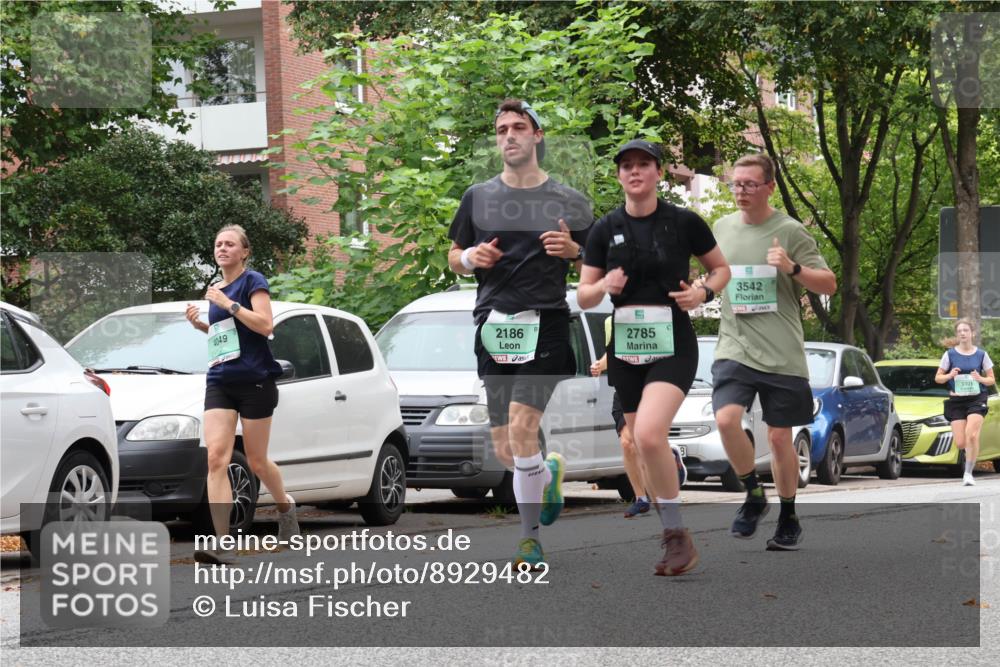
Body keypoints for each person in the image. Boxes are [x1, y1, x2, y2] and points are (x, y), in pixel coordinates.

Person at [447, 99, 592, 568]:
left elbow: (600, 262)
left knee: (523, 425)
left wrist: (574, 250)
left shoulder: (568, 199)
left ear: (537, 136)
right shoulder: (478, 196)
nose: (509, 135)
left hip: (546, 321)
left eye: (519, 127)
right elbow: (454, 254)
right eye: (502, 129)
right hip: (493, 325)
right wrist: (471, 259)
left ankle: (529, 541)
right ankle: (544, 475)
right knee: (508, 448)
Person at [578, 139, 730, 576]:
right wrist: (604, 284)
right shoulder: (604, 229)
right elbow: (585, 297)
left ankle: (676, 536)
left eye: (644, 164)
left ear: (659, 172)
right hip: (625, 348)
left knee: (646, 434)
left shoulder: (684, 222)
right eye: (626, 166)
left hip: (672, 343)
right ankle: (676, 535)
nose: (634, 171)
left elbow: (721, 269)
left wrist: (702, 292)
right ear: (619, 175)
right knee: (643, 443)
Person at [710, 153, 837, 551]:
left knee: (781, 437)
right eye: (736, 183)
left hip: (782, 351)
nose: (741, 190)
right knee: (727, 420)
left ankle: (788, 514)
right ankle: (753, 493)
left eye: (749, 184)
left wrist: (792, 267)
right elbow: (716, 274)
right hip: (735, 345)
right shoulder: (720, 227)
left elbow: (829, 284)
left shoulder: (791, 231)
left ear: (769, 187)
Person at [186, 224, 299, 564]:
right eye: (218, 243)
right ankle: (223, 542)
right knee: (216, 457)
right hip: (220, 379)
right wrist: (202, 326)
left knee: (257, 461)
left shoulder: (253, 282)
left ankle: (285, 507)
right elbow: (230, 336)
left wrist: (228, 303)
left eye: (230, 244)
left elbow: (265, 326)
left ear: (244, 252)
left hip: (256, 381)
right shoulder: (215, 287)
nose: (222, 248)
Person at [589, 316, 688, 519]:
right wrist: (600, 364)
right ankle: (640, 498)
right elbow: (614, 351)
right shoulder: (611, 321)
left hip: (653, 384)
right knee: (628, 442)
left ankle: (668, 455)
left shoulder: (658, 315)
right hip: (625, 387)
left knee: (646, 439)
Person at [934, 318, 995, 486]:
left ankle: (968, 473)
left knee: (972, 435)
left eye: (965, 330)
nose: (962, 333)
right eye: (959, 331)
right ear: (957, 334)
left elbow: (991, 380)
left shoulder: (981, 354)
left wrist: (980, 378)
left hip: (977, 398)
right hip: (957, 401)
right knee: (961, 442)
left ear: (972, 333)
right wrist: (949, 375)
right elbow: (938, 378)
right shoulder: (949, 354)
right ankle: (971, 450)